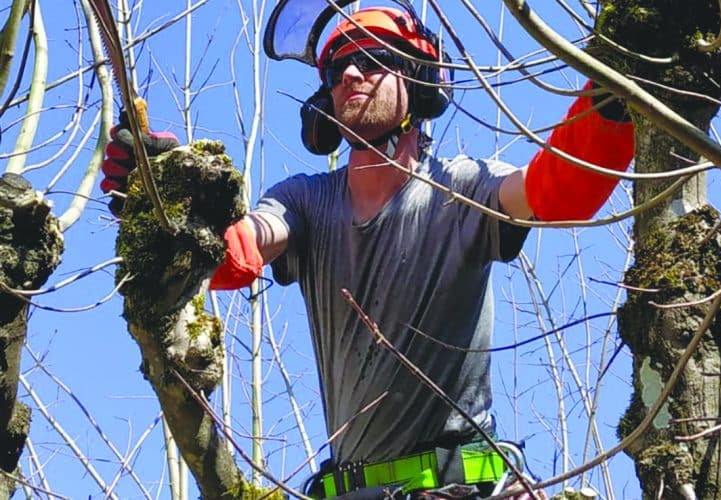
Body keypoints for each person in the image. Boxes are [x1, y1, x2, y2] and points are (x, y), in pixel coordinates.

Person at [101, 2, 633, 498]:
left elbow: (556, 188)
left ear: (417, 78)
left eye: (373, 59)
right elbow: (237, 251)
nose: (351, 75)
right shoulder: (304, 202)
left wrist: (614, 88)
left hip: (463, 486)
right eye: (337, 70)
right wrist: (166, 201)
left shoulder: (462, 188)